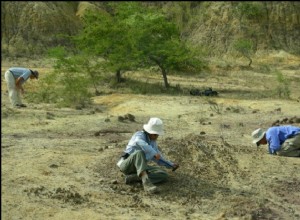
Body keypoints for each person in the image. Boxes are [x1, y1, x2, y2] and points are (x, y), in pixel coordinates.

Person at [116, 117, 179, 193]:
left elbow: (158, 158)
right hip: (127, 166)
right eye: (155, 134)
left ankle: (135, 177)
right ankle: (146, 183)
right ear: (149, 132)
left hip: (139, 168)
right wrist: (153, 152)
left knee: (163, 174)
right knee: (139, 153)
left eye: (157, 134)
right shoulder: (139, 135)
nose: (157, 137)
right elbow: (139, 142)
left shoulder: (152, 142)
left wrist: (170, 165)